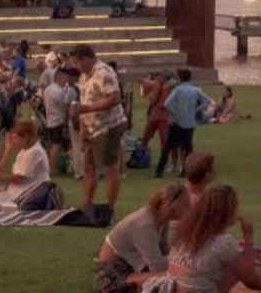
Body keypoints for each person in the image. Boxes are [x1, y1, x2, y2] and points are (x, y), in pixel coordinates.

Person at [97, 182, 191, 293]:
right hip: (112, 277)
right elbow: (157, 266)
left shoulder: (161, 219)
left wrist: (181, 259)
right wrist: (184, 260)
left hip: (129, 269)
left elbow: (165, 251)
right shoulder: (144, 224)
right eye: (185, 205)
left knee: (179, 273)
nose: (189, 209)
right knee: (173, 277)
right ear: (172, 205)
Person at [70, 44, 128, 214]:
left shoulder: (104, 72)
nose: (76, 67)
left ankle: (110, 208)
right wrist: (83, 126)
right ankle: (87, 205)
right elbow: (83, 101)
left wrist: (86, 110)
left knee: (110, 167)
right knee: (89, 167)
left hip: (108, 126)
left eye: (77, 63)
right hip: (92, 127)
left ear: (86, 58)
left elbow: (115, 98)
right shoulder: (84, 75)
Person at [0, 118, 52, 209]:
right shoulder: (25, 150)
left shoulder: (35, 152)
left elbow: (18, 179)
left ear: (26, 137)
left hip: (30, 193)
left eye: (16, 138)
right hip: (20, 190)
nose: (14, 142)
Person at [157, 69, 211, 178]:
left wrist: (175, 112)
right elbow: (207, 101)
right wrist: (196, 109)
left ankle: (159, 171)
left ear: (180, 78)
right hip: (189, 123)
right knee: (188, 148)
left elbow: (167, 104)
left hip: (177, 122)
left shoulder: (178, 90)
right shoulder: (196, 90)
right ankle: (187, 171)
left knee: (167, 147)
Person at [41, 68, 76, 174]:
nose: (66, 80)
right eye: (64, 78)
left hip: (50, 119)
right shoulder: (58, 91)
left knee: (52, 145)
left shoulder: (48, 89)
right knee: (56, 145)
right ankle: (52, 169)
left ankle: (49, 167)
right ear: (59, 77)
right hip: (58, 120)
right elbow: (65, 105)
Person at [140, 73, 171, 153]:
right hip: (159, 116)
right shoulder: (165, 87)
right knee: (161, 139)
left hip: (159, 116)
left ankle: (142, 154)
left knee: (148, 138)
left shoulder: (162, 87)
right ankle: (142, 154)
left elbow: (143, 84)